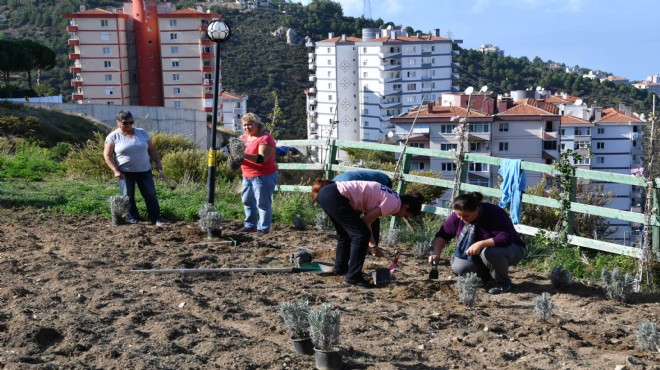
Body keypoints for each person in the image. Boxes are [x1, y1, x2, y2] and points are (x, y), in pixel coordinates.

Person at [312, 179, 424, 288]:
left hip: (327, 193)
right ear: (406, 206)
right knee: (360, 235)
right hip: (336, 196)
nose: (402, 217)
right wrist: (372, 245)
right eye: (405, 215)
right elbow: (365, 222)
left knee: (346, 234)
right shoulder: (394, 203)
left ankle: (340, 270)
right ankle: (353, 277)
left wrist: (373, 246)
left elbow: (368, 222)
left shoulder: (393, 196)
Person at [429, 192, 526, 294]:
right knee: (460, 268)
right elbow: (443, 235)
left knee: (490, 253)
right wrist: (436, 253)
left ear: (477, 209)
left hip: (512, 248)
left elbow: (505, 238)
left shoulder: (494, 213)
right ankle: (486, 278)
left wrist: (480, 244)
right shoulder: (457, 216)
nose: (462, 219)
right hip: (479, 254)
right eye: (458, 215)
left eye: (466, 216)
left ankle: (501, 283)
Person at [103, 111, 165, 226]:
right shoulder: (113, 136)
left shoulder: (142, 133)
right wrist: (115, 170)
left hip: (144, 170)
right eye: (125, 123)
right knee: (128, 196)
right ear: (118, 122)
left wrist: (158, 162)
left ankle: (156, 218)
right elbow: (107, 155)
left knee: (150, 194)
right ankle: (133, 219)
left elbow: (151, 149)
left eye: (131, 122)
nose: (128, 125)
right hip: (125, 172)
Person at [238, 113, 278, 235]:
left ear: (257, 124)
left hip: (263, 175)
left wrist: (242, 155)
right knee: (247, 201)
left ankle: (263, 228)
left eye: (250, 124)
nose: (247, 127)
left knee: (263, 203)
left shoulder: (265, 138)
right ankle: (250, 225)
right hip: (247, 174)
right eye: (244, 125)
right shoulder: (243, 138)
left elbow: (262, 159)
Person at [332, 170, 393, 247]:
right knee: (354, 215)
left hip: (383, 181)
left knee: (372, 214)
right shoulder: (335, 186)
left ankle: (372, 245)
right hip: (364, 184)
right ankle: (360, 242)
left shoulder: (342, 187)